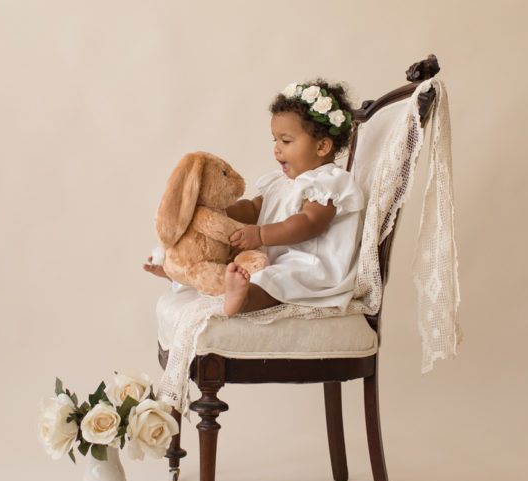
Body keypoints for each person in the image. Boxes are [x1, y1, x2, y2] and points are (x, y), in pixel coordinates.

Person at [145, 79, 364, 317]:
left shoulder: (327, 182)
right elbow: (254, 208)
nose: (277, 148)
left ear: (322, 147)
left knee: (273, 278)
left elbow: (310, 223)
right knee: (228, 257)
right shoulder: (282, 181)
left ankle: (245, 297)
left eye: (286, 141)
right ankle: (183, 272)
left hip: (309, 264)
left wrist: (260, 234)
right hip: (275, 255)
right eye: (275, 140)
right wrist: (220, 215)